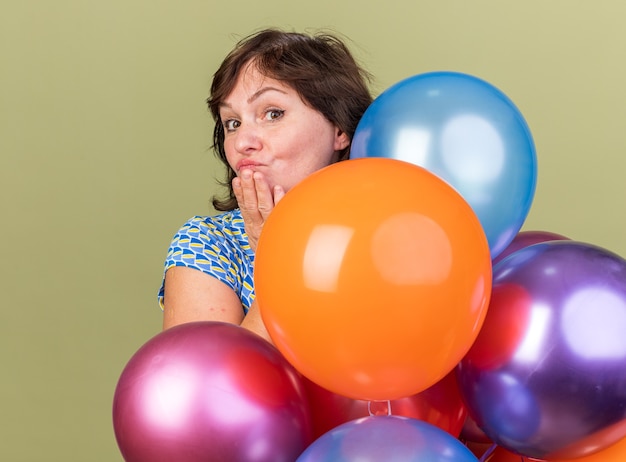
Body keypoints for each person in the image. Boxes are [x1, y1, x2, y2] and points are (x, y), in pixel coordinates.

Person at [158, 28, 373, 341]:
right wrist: (278, 258)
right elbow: (218, 389)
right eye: (232, 123)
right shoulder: (208, 244)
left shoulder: (389, 231)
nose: (243, 141)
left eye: (273, 113)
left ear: (339, 128)